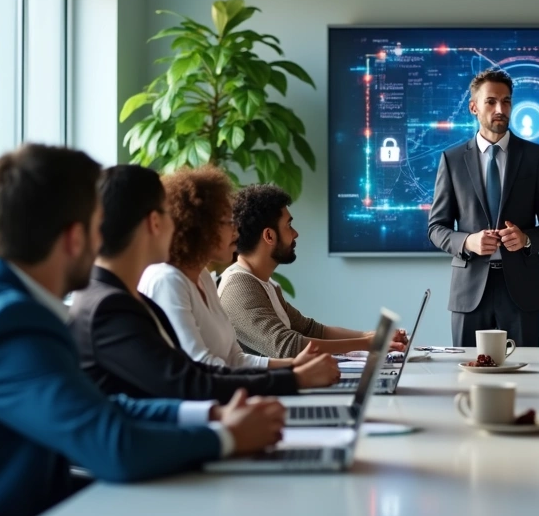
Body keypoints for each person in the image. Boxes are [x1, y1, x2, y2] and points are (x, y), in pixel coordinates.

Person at [0, 145, 286, 516]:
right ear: (76, 237)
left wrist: (213, 415)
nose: (104, 241)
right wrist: (225, 437)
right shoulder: (6, 325)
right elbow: (114, 445)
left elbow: (103, 405)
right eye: (99, 227)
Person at [69, 165, 340, 402]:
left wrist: (292, 371)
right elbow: (190, 379)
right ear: (155, 222)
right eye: (167, 214)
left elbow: (214, 366)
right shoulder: (128, 297)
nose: (174, 225)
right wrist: (293, 378)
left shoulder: (197, 280)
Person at [427, 68, 539, 347]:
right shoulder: (452, 160)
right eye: (491, 101)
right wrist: (468, 241)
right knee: (467, 377)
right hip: (468, 291)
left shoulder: (535, 158)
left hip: (521, 290)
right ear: (474, 107)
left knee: (526, 379)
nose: (500, 109)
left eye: (506, 101)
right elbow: (436, 228)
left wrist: (527, 239)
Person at [219, 183, 407, 357]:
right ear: (269, 235)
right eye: (289, 226)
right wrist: (367, 344)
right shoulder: (238, 287)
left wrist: (373, 336)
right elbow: (289, 347)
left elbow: (313, 331)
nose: (295, 234)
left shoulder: (265, 284)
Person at [138, 166, 279, 369]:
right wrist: (294, 376)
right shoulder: (167, 281)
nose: (236, 229)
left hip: (226, 393)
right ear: (198, 227)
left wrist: (295, 366)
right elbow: (200, 366)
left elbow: (235, 359)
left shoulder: (203, 277)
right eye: (227, 222)